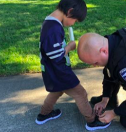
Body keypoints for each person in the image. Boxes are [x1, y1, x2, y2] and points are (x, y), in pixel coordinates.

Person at [36, 0, 110, 130]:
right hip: (60, 71)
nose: (73, 24)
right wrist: (69, 46)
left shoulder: (50, 22)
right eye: (75, 20)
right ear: (70, 11)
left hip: (52, 71)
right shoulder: (53, 28)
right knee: (80, 94)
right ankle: (92, 120)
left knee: (56, 91)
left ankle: (44, 114)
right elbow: (56, 56)